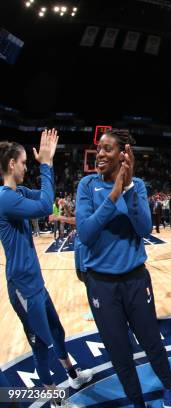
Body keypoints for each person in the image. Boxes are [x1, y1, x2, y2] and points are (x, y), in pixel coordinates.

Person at [76, 129, 171, 408]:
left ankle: (170, 386)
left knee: (151, 342)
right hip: (101, 284)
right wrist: (114, 194)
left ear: (124, 154)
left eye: (108, 149)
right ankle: (137, 402)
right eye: (99, 150)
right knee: (119, 352)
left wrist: (128, 187)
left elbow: (144, 227)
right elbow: (85, 233)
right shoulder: (87, 185)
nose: (100, 155)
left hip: (135, 280)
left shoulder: (139, 187)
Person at [0, 131, 93, 407]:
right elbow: (44, 205)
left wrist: (44, 165)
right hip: (23, 287)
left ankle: (73, 375)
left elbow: (42, 196)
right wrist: (47, 164)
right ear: (11, 165)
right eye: (25, 163)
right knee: (41, 347)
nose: (27, 167)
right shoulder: (4, 198)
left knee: (58, 332)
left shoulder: (16, 193)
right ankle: (56, 400)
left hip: (36, 283)